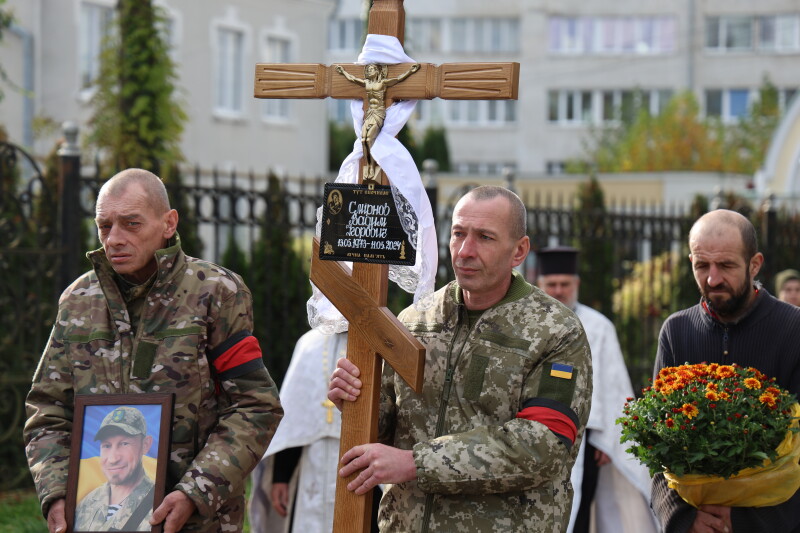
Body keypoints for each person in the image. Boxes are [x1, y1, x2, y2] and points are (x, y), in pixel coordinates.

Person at [23, 168, 283, 533]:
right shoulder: (78, 300)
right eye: (104, 226)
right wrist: (56, 493)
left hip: (195, 523)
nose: (114, 239)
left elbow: (256, 406)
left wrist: (195, 492)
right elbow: (47, 409)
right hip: (97, 517)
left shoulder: (216, 293)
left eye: (131, 224)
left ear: (168, 223)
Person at [328, 185, 593, 532]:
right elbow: (387, 429)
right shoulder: (415, 321)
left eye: (484, 237)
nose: (465, 251)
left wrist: (416, 463)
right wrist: (354, 399)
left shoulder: (556, 331)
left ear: (519, 251)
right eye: (458, 234)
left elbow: (541, 446)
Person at [651, 209, 800, 533]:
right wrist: (683, 519)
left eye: (727, 266)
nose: (712, 279)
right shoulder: (677, 331)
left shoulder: (793, 329)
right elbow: (657, 447)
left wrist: (746, 523)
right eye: (701, 265)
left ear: (755, 264)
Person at [536, 247, 657, 533]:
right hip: (533, 433)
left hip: (585, 438)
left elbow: (612, 384)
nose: (558, 291)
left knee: (578, 506)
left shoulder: (599, 326)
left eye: (565, 284)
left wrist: (609, 436)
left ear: (576, 285)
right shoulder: (527, 323)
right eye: (551, 285)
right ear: (539, 285)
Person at [74, 406, 156, 531]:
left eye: (124, 444)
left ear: (145, 445)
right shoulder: (87, 503)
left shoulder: (160, 503)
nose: (113, 459)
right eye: (106, 445)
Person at [335, 62, 420, 179]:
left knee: (369, 138)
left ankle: (371, 166)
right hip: (369, 113)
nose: (369, 71)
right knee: (363, 139)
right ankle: (369, 165)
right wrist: (343, 72)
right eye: (368, 69)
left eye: (372, 69)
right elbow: (353, 79)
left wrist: (410, 71)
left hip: (379, 113)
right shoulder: (366, 83)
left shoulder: (383, 83)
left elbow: (398, 79)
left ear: (377, 71)